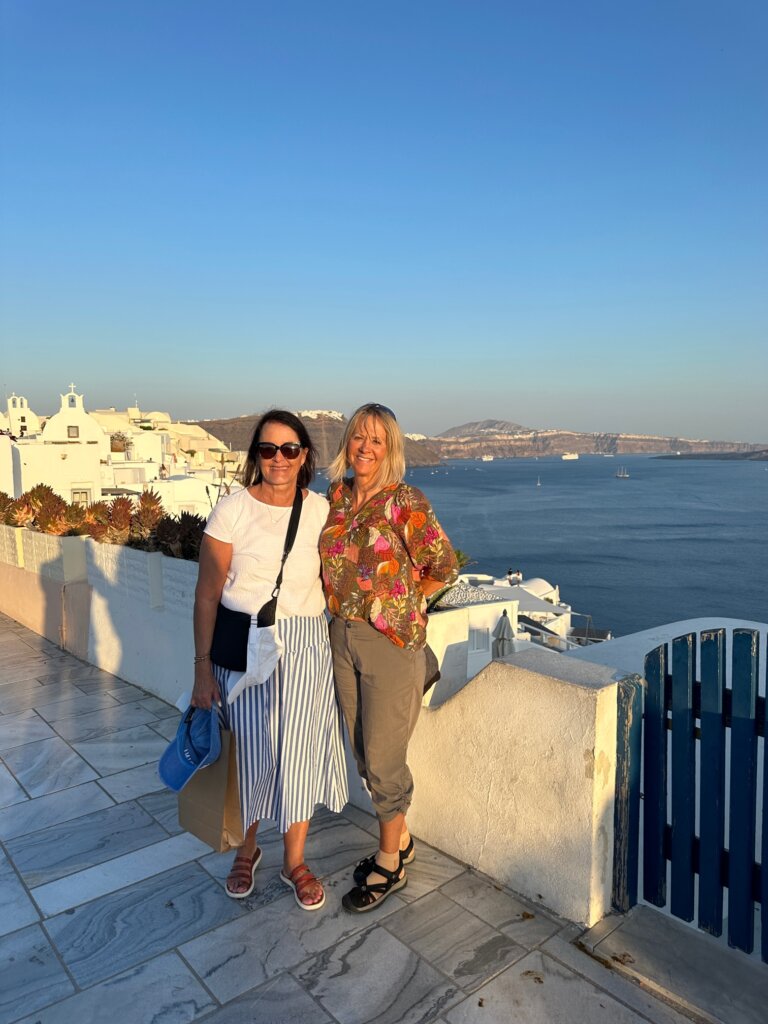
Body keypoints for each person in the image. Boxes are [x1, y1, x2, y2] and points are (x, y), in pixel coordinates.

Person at [191, 410, 348, 910]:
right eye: (267, 449)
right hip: (242, 645)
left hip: (305, 644)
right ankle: (247, 849)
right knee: (251, 754)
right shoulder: (233, 509)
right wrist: (200, 668)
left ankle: (294, 861)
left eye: (289, 449)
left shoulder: (321, 510)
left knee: (298, 752)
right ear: (255, 455)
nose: (278, 458)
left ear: (305, 456)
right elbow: (206, 596)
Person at [320, 403, 458, 912]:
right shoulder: (335, 499)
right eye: (358, 436)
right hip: (341, 637)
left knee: (383, 758)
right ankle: (401, 841)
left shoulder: (405, 501)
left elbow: (443, 565)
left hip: (391, 646)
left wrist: (405, 604)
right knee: (362, 749)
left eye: (377, 439)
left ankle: (389, 861)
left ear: (390, 448)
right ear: (347, 443)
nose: (365, 447)